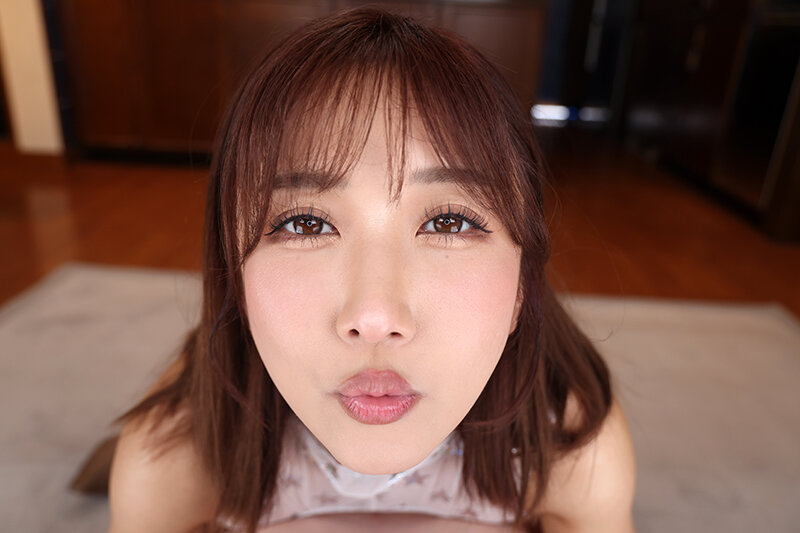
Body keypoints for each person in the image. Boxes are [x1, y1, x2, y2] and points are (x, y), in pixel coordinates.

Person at [108, 7, 635, 533]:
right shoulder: (170, 458)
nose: (376, 318)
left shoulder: (575, 444)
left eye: (448, 221)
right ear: (234, 279)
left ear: (523, 282)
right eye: (306, 224)